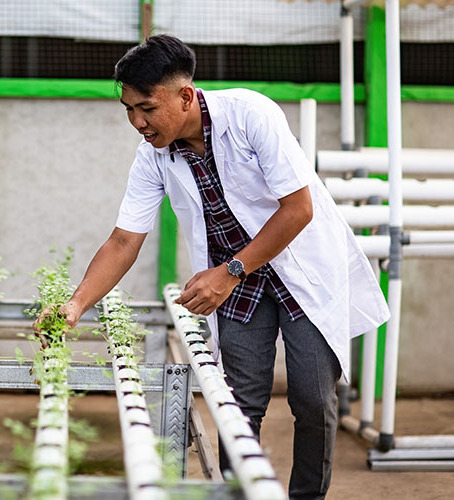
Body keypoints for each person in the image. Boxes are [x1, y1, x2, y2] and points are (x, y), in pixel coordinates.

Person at [34, 34, 389, 499]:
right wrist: (76, 305)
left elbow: (299, 209)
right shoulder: (153, 156)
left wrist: (230, 271)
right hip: (238, 286)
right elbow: (124, 240)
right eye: (128, 110)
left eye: (146, 108)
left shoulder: (251, 115)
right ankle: (239, 494)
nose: (137, 122)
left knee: (312, 399)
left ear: (185, 96)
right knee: (237, 403)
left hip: (298, 270)